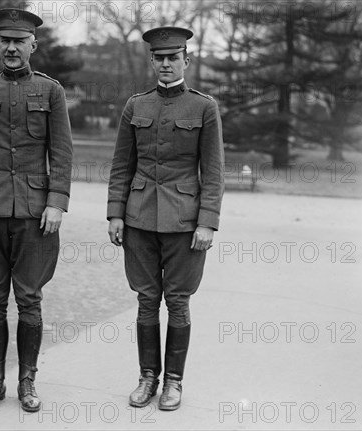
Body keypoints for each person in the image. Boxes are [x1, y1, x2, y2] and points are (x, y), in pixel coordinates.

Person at [0, 8, 73, 412]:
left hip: (36, 214)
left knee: (30, 299)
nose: (11, 48)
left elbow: (61, 153)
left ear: (33, 45)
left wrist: (56, 202)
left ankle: (27, 382)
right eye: (5, 41)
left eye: (19, 41)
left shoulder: (51, 92)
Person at [107, 26, 225, 411]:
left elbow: (214, 171)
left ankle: (173, 382)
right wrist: (115, 214)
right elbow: (121, 167)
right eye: (160, 58)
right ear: (152, 61)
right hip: (139, 219)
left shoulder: (204, 108)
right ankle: (147, 378)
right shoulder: (135, 106)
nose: (166, 64)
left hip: (185, 223)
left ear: (186, 61)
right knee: (145, 300)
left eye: (173, 58)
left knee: (177, 301)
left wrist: (207, 221)